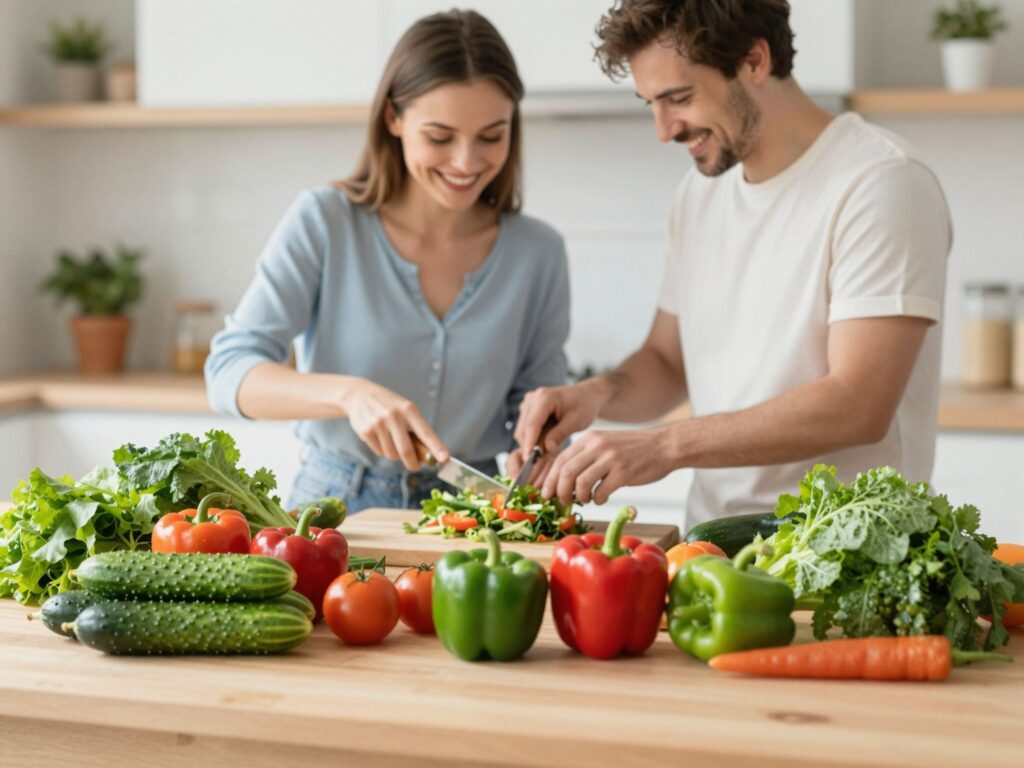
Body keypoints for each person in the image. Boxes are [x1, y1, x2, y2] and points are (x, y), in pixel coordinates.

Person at [510, 0, 951, 527]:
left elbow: (858, 402)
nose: (663, 129)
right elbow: (666, 363)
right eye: (650, 102)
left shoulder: (880, 182)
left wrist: (667, 445)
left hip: (849, 555)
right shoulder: (698, 196)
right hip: (715, 545)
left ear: (755, 61)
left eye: (679, 98)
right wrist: (594, 394)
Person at [206, 10, 570, 514]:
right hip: (335, 507)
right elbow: (228, 371)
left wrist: (544, 442)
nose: (467, 162)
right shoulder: (326, 221)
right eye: (440, 137)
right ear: (393, 118)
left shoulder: (539, 252)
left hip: (476, 511)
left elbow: (538, 401)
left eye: (492, 136)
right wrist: (349, 395)